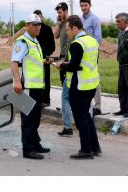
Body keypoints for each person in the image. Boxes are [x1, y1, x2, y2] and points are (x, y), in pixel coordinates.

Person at [54, 15, 101, 159]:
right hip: (91, 84)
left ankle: (86, 150)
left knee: (81, 117)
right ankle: (95, 147)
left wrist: (60, 65)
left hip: (79, 85)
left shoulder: (77, 44)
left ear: (75, 28)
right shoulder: (92, 41)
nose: (67, 32)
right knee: (87, 116)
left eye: (68, 29)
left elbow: (74, 66)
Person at [11, 14, 52, 160]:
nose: (38, 27)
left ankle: (35, 144)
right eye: (34, 24)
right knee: (28, 119)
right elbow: (14, 62)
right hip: (27, 86)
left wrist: (44, 61)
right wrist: (17, 81)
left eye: (39, 24)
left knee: (36, 118)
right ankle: (28, 149)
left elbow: (32, 61)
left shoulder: (34, 41)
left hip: (37, 86)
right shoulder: (22, 42)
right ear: (27, 25)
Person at [80, 0, 102, 116]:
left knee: (94, 77)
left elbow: (98, 38)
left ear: (90, 5)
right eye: (82, 6)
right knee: (85, 77)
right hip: (81, 53)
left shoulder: (95, 19)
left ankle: (97, 106)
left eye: (85, 5)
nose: (83, 8)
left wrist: (91, 51)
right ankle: (86, 104)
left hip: (92, 53)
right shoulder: (80, 20)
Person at [54, 2, 73, 136]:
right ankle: (68, 113)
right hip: (63, 55)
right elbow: (56, 36)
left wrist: (64, 60)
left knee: (68, 90)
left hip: (69, 56)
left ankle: (68, 123)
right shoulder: (61, 24)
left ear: (66, 11)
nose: (59, 14)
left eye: (60, 12)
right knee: (65, 85)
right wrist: (58, 23)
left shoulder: (71, 22)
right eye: (58, 12)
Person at [33, 10, 55, 107]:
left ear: (42, 17)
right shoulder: (32, 30)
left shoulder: (47, 29)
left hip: (45, 58)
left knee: (46, 79)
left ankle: (46, 100)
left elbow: (52, 45)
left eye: (39, 16)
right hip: (35, 59)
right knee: (37, 80)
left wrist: (47, 54)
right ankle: (38, 100)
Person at [113, 13, 128, 118]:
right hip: (122, 64)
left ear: (125, 21)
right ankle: (123, 108)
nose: (117, 24)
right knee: (121, 87)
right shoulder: (120, 32)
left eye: (119, 21)